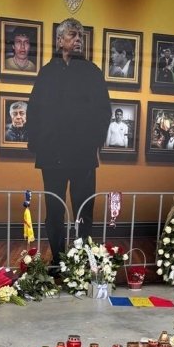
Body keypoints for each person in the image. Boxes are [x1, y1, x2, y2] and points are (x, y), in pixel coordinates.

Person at [26, 17, 112, 269]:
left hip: (83, 156)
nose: (77, 40)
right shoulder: (46, 73)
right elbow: (34, 110)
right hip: (51, 155)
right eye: (72, 35)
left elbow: (104, 111)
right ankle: (58, 259)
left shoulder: (92, 72)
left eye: (80, 36)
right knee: (54, 210)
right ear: (59, 40)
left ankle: (82, 260)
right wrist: (37, 144)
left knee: (84, 210)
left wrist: (94, 142)